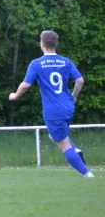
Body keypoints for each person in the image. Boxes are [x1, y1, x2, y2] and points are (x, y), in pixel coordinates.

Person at [9, 30, 93, 177]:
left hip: (53, 110)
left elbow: (25, 85)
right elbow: (80, 80)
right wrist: (73, 96)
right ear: (56, 44)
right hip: (68, 106)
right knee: (54, 136)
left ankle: (87, 174)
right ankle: (77, 151)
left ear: (42, 44)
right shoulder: (65, 61)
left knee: (63, 144)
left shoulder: (37, 64)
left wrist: (15, 95)